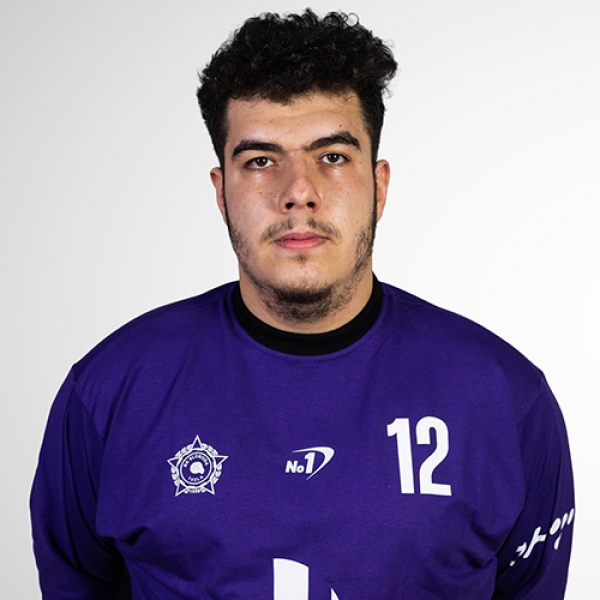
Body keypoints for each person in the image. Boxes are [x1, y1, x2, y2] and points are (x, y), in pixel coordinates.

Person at [31, 9, 574, 599]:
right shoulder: (111, 390)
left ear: (379, 185)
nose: (298, 193)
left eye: (332, 156)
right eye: (261, 161)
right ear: (221, 193)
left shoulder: (504, 397)